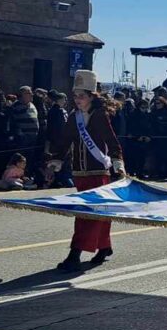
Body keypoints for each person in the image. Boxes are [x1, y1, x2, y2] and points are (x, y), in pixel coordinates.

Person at [48, 70, 125, 271]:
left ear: (91, 96)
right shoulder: (74, 117)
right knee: (98, 212)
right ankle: (105, 246)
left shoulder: (100, 116)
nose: (77, 99)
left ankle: (75, 254)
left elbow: (112, 142)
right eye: (75, 96)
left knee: (87, 214)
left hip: (98, 172)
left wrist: (118, 163)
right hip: (79, 172)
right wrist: (56, 160)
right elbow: (65, 140)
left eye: (82, 96)